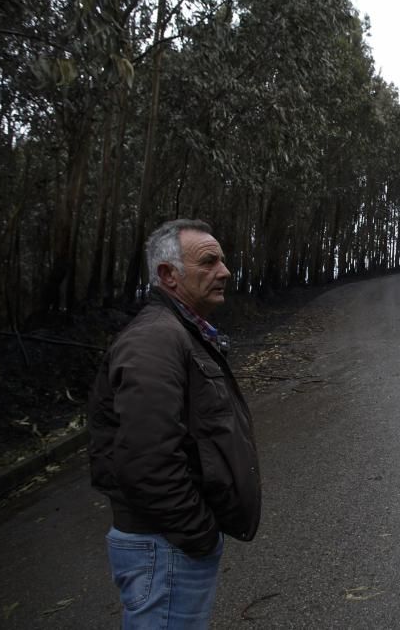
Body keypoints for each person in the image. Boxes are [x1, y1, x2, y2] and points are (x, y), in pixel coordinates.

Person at [88, 219, 261, 628]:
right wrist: (199, 534)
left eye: (223, 260)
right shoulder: (155, 340)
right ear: (168, 275)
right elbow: (146, 461)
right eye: (209, 262)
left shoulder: (181, 332)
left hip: (168, 542)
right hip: (164, 545)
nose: (225, 271)